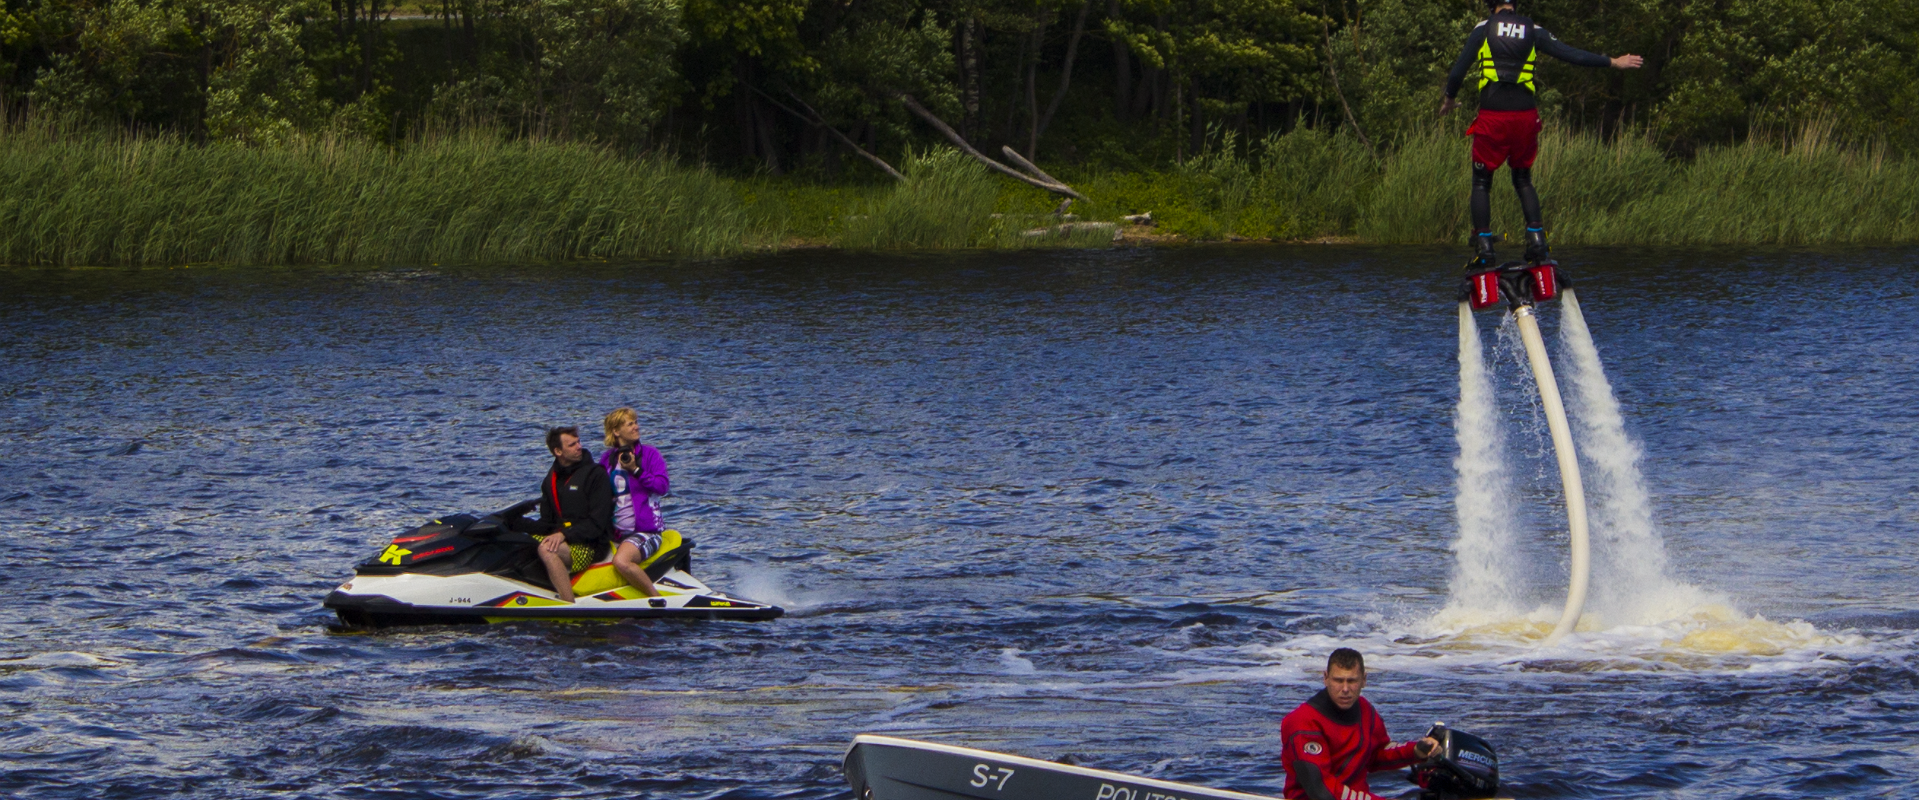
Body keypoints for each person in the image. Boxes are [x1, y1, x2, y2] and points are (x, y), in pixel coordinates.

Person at [1439, 0, 1643, 268]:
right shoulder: (1532, 29)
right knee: (1523, 179)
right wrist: (1613, 61)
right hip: (1525, 118)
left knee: (1481, 181)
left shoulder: (1484, 28)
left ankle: (1484, 247)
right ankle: (1537, 243)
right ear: (1514, 5)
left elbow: (1458, 71)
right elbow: (1569, 53)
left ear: (1492, 6)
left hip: (1493, 117)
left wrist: (1449, 100)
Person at [1280, 648, 1439, 800]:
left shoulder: (1366, 711)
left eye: (1352, 681)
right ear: (1326, 678)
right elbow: (1319, 789)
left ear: (1364, 680)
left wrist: (1416, 751)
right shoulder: (1303, 722)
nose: (1345, 689)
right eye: (1338, 680)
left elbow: (1376, 755)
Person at [510, 426, 613, 602]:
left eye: (578, 442)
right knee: (518, 541)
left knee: (547, 548)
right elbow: (547, 523)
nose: (579, 446)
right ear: (558, 451)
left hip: (591, 545)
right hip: (565, 538)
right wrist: (514, 523)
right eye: (572, 444)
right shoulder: (550, 481)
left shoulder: (596, 475)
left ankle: (568, 603)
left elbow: (597, 523)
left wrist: (563, 535)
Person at [596, 407, 670, 598]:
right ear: (616, 431)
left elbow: (662, 486)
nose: (636, 427)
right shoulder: (607, 460)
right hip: (616, 532)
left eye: (636, 422)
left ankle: (655, 598)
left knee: (621, 561)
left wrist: (636, 470)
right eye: (630, 424)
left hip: (647, 531)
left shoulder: (651, 455)